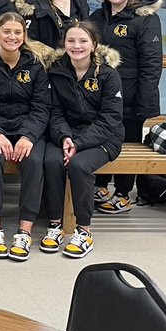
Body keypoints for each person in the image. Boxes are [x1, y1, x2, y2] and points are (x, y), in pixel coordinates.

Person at [0, 12, 53, 262]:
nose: (12, 37)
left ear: (24, 36)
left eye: (17, 32)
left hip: (26, 130)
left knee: (33, 161)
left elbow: (42, 107)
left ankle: (24, 230)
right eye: (6, 32)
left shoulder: (35, 66)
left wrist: (28, 136)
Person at [43, 23, 124, 259]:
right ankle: (55, 225)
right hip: (67, 134)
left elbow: (110, 119)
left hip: (104, 137)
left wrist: (79, 143)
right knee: (51, 161)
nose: (76, 46)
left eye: (83, 41)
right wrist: (65, 137)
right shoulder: (57, 71)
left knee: (79, 165)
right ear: (64, 44)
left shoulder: (108, 75)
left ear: (94, 45)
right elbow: (55, 112)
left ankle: (84, 230)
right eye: (71, 41)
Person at [88, 0, 163, 214]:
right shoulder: (99, 16)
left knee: (128, 143)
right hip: (101, 93)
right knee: (101, 139)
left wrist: (144, 101)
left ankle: (122, 193)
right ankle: (100, 186)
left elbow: (152, 64)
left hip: (131, 97)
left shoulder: (145, 19)